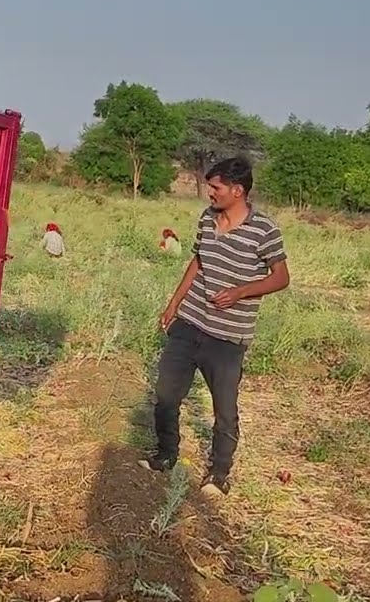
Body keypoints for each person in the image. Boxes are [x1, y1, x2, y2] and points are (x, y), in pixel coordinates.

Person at [141, 156, 290, 497]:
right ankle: (165, 455)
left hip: (228, 335)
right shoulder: (207, 219)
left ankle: (218, 473)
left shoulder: (263, 230)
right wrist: (174, 303)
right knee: (166, 395)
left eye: (216, 187)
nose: (209, 193)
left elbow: (281, 277)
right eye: (209, 186)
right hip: (190, 321)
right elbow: (198, 262)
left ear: (238, 191)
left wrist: (241, 292)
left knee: (225, 409)